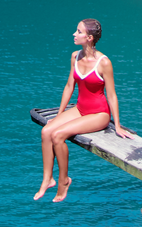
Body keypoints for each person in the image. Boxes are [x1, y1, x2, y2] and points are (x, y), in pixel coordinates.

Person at [35, 19, 135, 202]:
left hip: (99, 114)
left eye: (78, 31)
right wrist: (59, 116)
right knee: (47, 130)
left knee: (58, 135)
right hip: (80, 108)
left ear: (89, 38)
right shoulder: (75, 56)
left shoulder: (104, 63)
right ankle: (47, 179)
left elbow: (112, 95)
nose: (74, 34)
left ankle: (64, 181)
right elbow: (69, 87)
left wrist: (118, 126)